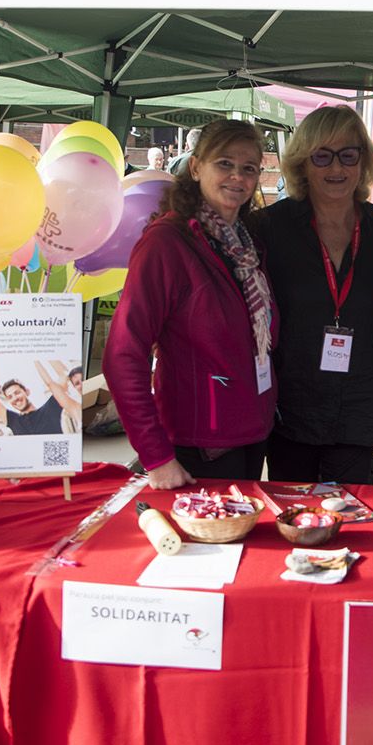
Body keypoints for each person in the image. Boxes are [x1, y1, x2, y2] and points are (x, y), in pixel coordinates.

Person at [104, 119, 279, 488]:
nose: (238, 177)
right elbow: (122, 355)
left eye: (249, 168)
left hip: (250, 434)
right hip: (198, 446)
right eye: (225, 164)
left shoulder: (246, 247)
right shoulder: (166, 244)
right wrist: (155, 456)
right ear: (196, 167)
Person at [248, 105, 373, 484]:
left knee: (353, 518)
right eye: (322, 156)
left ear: (363, 162)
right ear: (302, 163)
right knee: (295, 515)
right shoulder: (271, 227)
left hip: (358, 402)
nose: (337, 169)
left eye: (349, 155)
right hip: (290, 405)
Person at [0, 360, 79, 436]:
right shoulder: (14, 421)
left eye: (17, 393)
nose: (15, 398)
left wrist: (43, 354)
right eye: (10, 397)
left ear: (27, 391)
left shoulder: (51, 408)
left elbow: (64, 376)